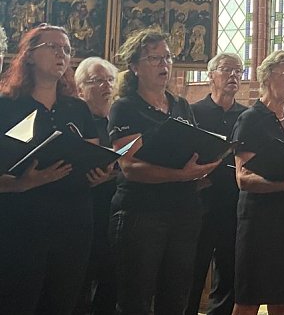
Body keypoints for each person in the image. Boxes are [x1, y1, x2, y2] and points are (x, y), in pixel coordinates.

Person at [108, 28, 221, 315]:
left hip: (184, 210)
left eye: (167, 58)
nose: (164, 65)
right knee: (137, 298)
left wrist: (205, 164)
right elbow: (129, 166)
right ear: (134, 67)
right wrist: (181, 175)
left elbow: (191, 147)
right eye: (154, 59)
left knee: (176, 297)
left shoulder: (181, 105)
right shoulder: (125, 107)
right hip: (142, 213)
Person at [0, 25, 108, 315]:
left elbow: (90, 154)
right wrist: (20, 184)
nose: (62, 54)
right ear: (30, 56)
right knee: (18, 302)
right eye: (54, 47)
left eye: (67, 50)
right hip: (22, 223)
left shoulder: (77, 108)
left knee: (63, 302)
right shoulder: (6, 106)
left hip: (73, 221)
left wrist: (99, 173)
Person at [230, 51, 284, 315]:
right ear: (267, 77)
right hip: (259, 222)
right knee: (249, 299)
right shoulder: (250, 119)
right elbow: (243, 178)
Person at [186, 53, 248, 315]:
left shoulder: (247, 116)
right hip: (199, 203)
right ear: (210, 75)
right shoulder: (193, 112)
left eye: (238, 71)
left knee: (229, 273)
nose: (233, 75)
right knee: (191, 270)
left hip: (234, 203)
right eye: (226, 70)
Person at [74, 56, 119, 315]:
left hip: (115, 212)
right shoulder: (76, 120)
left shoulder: (120, 120)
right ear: (80, 89)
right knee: (80, 283)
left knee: (111, 282)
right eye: (97, 81)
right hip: (83, 213)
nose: (106, 86)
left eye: (110, 80)